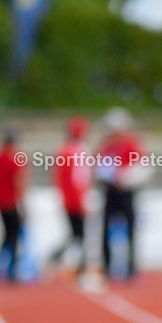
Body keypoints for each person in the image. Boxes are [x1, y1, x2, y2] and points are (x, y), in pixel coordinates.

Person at [95, 108, 151, 280]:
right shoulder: (105, 145)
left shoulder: (131, 144)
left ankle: (130, 267)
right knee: (105, 231)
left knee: (131, 231)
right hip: (110, 193)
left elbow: (143, 168)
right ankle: (107, 266)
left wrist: (124, 178)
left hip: (126, 193)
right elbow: (98, 167)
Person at [49, 116, 92, 275]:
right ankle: (79, 267)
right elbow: (79, 178)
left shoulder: (63, 149)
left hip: (68, 198)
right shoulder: (78, 150)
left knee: (76, 234)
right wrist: (82, 201)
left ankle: (63, 260)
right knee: (80, 234)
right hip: (76, 199)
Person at [0, 131, 27, 282]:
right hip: (11, 202)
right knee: (14, 236)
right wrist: (23, 203)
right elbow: (19, 181)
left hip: (0, 201)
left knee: (6, 235)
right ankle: (12, 270)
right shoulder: (14, 159)